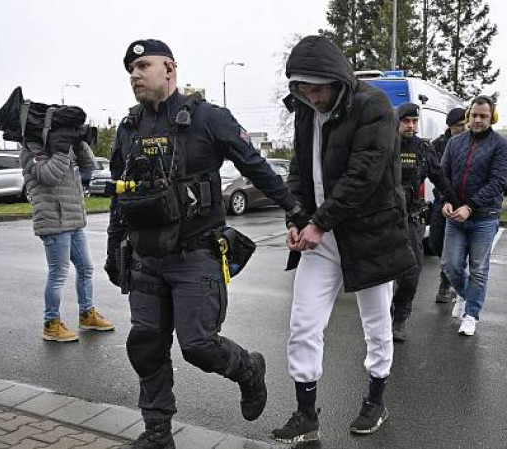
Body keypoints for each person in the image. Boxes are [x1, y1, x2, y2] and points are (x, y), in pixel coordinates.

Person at [106, 39, 303, 449]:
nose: (134, 75)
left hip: (195, 254)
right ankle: (158, 432)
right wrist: (113, 247)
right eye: (130, 70)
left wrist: (293, 210)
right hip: (145, 258)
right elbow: (119, 194)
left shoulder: (207, 118)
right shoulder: (129, 128)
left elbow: (255, 165)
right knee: (145, 345)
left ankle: (247, 369)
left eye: (143, 66)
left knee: (198, 345)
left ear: (169, 68)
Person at [270, 35, 415, 444]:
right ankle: (305, 414)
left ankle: (376, 399)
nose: (312, 96)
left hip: (370, 234)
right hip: (321, 237)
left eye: (318, 88)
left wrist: (319, 222)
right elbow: (298, 170)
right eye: (303, 88)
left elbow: (363, 175)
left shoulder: (374, 108)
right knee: (303, 323)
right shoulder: (304, 109)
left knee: (376, 324)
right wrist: (296, 218)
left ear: (338, 80)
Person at [20, 132, 115, 342]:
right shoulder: (31, 148)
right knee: (58, 273)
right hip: (53, 221)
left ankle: (87, 315)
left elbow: (89, 167)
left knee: (86, 269)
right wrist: (62, 149)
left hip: (73, 220)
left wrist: (79, 142)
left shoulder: (62, 145)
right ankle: (51, 324)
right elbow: (49, 176)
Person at [440, 95, 507, 336]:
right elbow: (443, 176)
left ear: (492, 118)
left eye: (483, 116)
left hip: (484, 217)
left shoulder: (501, 145)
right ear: (467, 116)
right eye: (474, 115)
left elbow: (498, 182)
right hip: (455, 217)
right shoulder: (454, 143)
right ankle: (464, 295)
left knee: (479, 269)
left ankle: (471, 314)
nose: (478, 120)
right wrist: (446, 201)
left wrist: (469, 206)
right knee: (450, 265)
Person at [392, 103, 457, 341]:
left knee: (411, 272)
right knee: (382, 274)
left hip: (412, 219)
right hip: (385, 220)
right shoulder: (383, 144)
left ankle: (400, 318)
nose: (411, 126)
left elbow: (440, 178)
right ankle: (381, 317)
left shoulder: (423, 149)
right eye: (406, 121)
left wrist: (456, 201)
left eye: (414, 121)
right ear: (397, 121)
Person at [430, 108, 466, 304]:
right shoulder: (437, 145)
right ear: (450, 127)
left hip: (463, 202)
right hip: (442, 199)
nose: (462, 129)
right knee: (435, 242)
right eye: (458, 126)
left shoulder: (472, 142)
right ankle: (450, 271)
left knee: (457, 246)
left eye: (464, 125)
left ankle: (447, 282)